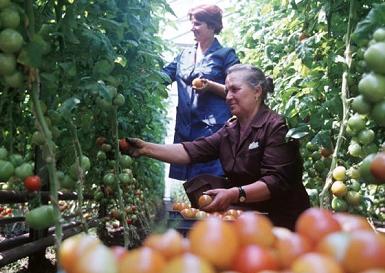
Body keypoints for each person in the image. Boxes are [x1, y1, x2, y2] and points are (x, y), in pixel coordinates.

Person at [124, 64, 310, 230]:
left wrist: (233, 194)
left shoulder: (276, 126)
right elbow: (191, 151)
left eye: (235, 90)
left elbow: (275, 182)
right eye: (227, 90)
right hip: (251, 220)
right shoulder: (231, 129)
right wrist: (144, 148)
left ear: (257, 91)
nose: (228, 97)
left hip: (283, 224)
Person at [162, 4, 240, 181]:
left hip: (213, 133)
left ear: (212, 26)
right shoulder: (185, 54)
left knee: (212, 184)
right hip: (186, 131)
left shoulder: (225, 55)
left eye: (197, 24)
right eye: (192, 23)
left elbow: (238, 88)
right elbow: (165, 75)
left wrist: (211, 86)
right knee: (193, 186)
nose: (192, 28)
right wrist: (144, 77)